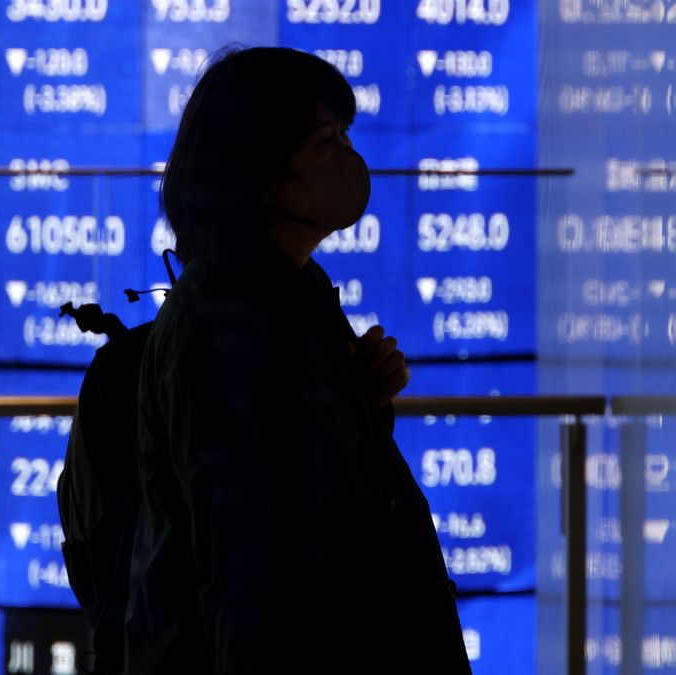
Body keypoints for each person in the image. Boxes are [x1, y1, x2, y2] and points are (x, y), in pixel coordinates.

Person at [124, 46, 472, 673]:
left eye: (344, 135)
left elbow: (307, 477)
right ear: (257, 174)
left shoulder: (295, 291)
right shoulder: (219, 330)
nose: (349, 159)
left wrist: (359, 404)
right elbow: (243, 583)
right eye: (325, 143)